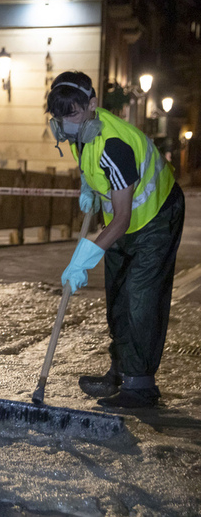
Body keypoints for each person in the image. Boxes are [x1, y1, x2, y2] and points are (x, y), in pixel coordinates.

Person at [47, 71, 184, 409]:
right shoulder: (81, 134)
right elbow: (93, 167)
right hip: (123, 221)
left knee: (140, 296)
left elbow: (122, 218)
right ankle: (121, 370)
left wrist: (83, 259)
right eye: (59, 116)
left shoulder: (114, 144)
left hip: (156, 218)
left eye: (74, 113)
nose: (66, 123)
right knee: (118, 295)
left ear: (92, 105)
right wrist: (89, 188)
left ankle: (140, 386)